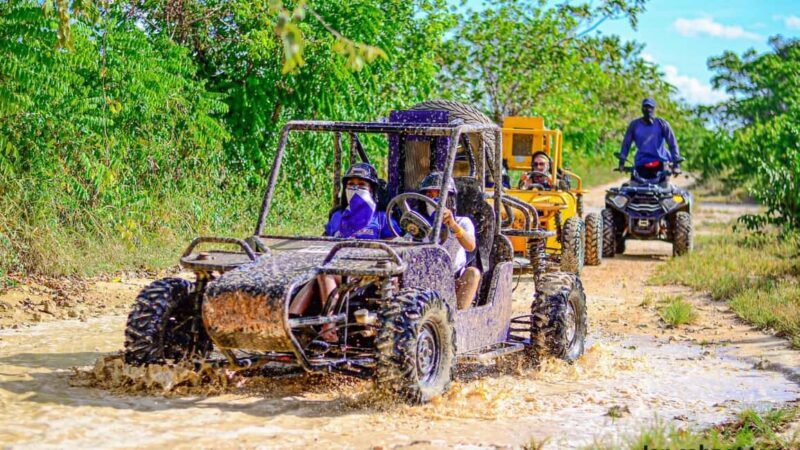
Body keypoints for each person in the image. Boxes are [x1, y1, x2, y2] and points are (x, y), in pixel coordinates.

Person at [289, 162, 395, 340]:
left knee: (325, 273)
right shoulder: (338, 215)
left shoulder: (382, 217)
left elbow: (395, 247)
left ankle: (330, 325)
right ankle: (292, 322)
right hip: (337, 264)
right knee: (314, 276)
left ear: (372, 189)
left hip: (368, 271)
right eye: (351, 184)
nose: (355, 188)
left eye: (361, 184)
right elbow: (325, 241)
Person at [417, 172, 480, 310]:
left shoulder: (462, 222)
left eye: (439, 194)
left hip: (454, 280)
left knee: (473, 273)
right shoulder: (418, 224)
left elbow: (470, 245)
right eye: (429, 194)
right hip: (424, 280)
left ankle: (458, 316)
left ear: (449, 198)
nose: (433, 198)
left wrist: (453, 225)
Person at [619, 98, 682, 179]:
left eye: (650, 107)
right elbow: (626, 144)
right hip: (641, 163)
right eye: (645, 107)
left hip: (661, 163)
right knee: (633, 185)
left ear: (654, 109)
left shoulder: (662, 124)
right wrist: (622, 162)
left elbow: (672, 144)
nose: (648, 110)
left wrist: (676, 165)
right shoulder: (634, 125)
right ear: (642, 109)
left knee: (665, 185)